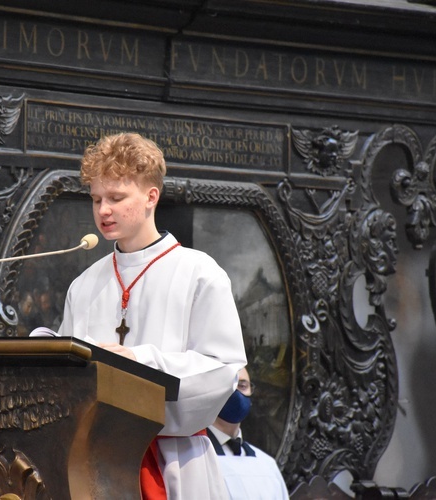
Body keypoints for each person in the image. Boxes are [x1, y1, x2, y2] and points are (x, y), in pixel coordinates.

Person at [57, 132, 247, 499]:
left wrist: (139, 363)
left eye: (115, 197)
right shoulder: (84, 284)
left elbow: (222, 372)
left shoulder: (199, 273)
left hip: (175, 462)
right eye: (96, 199)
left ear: (151, 197)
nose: (103, 211)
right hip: (90, 463)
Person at [206, 367, 289, 500]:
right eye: (229, 386)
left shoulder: (267, 465)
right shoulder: (195, 459)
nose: (236, 394)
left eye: (242, 386)